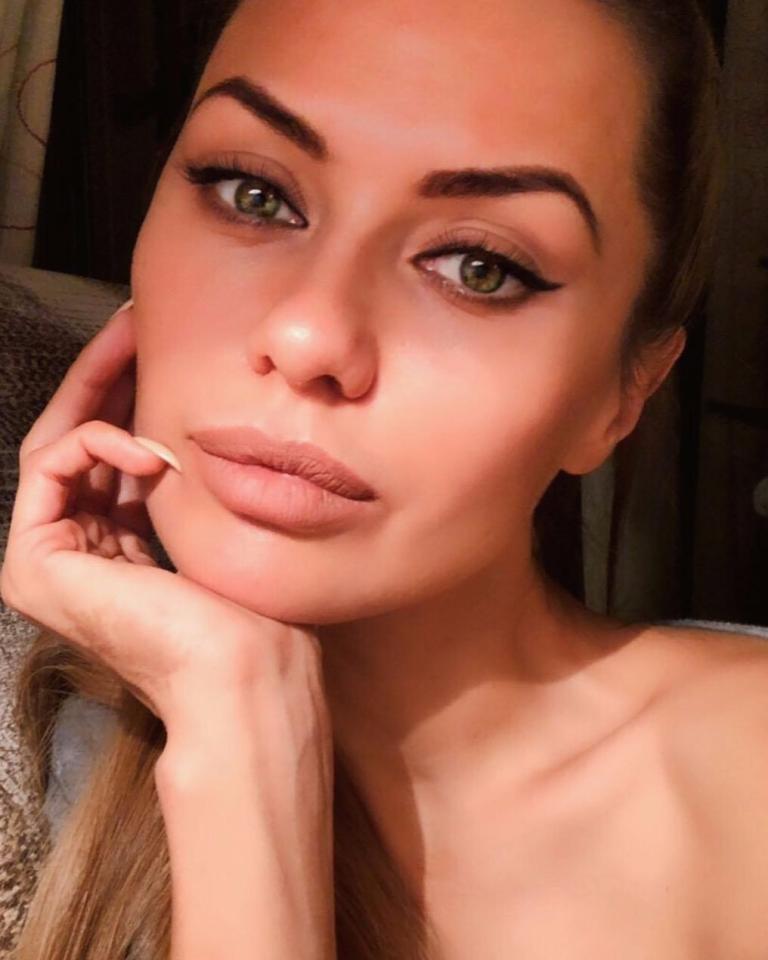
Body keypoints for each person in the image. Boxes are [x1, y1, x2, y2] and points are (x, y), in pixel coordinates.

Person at [2, 0, 767, 956]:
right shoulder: (45, 776)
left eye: (480, 267)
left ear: (624, 394)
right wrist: (240, 722)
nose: (308, 336)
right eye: (253, 194)